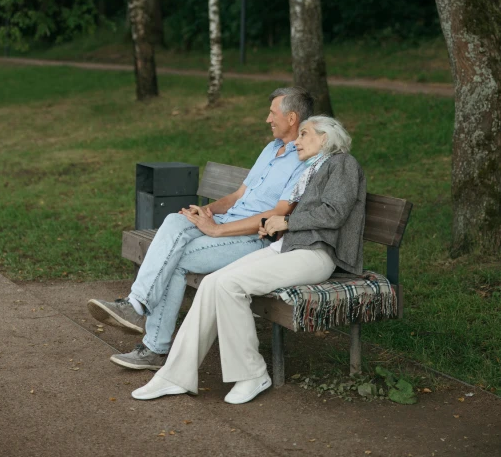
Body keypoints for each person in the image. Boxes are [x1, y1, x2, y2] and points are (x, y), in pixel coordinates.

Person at [129, 115, 366, 405]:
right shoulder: (313, 168)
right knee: (212, 283)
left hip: (316, 254)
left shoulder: (342, 163)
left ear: (325, 139)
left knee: (230, 284)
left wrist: (286, 222)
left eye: (304, 135)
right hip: (289, 249)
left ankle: (252, 373)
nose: (298, 141)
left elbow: (334, 212)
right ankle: (174, 375)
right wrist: (275, 222)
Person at [87, 87, 314, 371]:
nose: (267, 118)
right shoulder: (270, 149)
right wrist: (206, 211)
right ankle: (136, 306)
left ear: (292, 117)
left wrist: (218, 228)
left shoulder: (304, 159)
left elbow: (279, 214)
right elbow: (237, 195)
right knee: (174, 220)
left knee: (176, 257)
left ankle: (151, 342)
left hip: (251, 239)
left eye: (272, 112)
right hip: (224, 222)